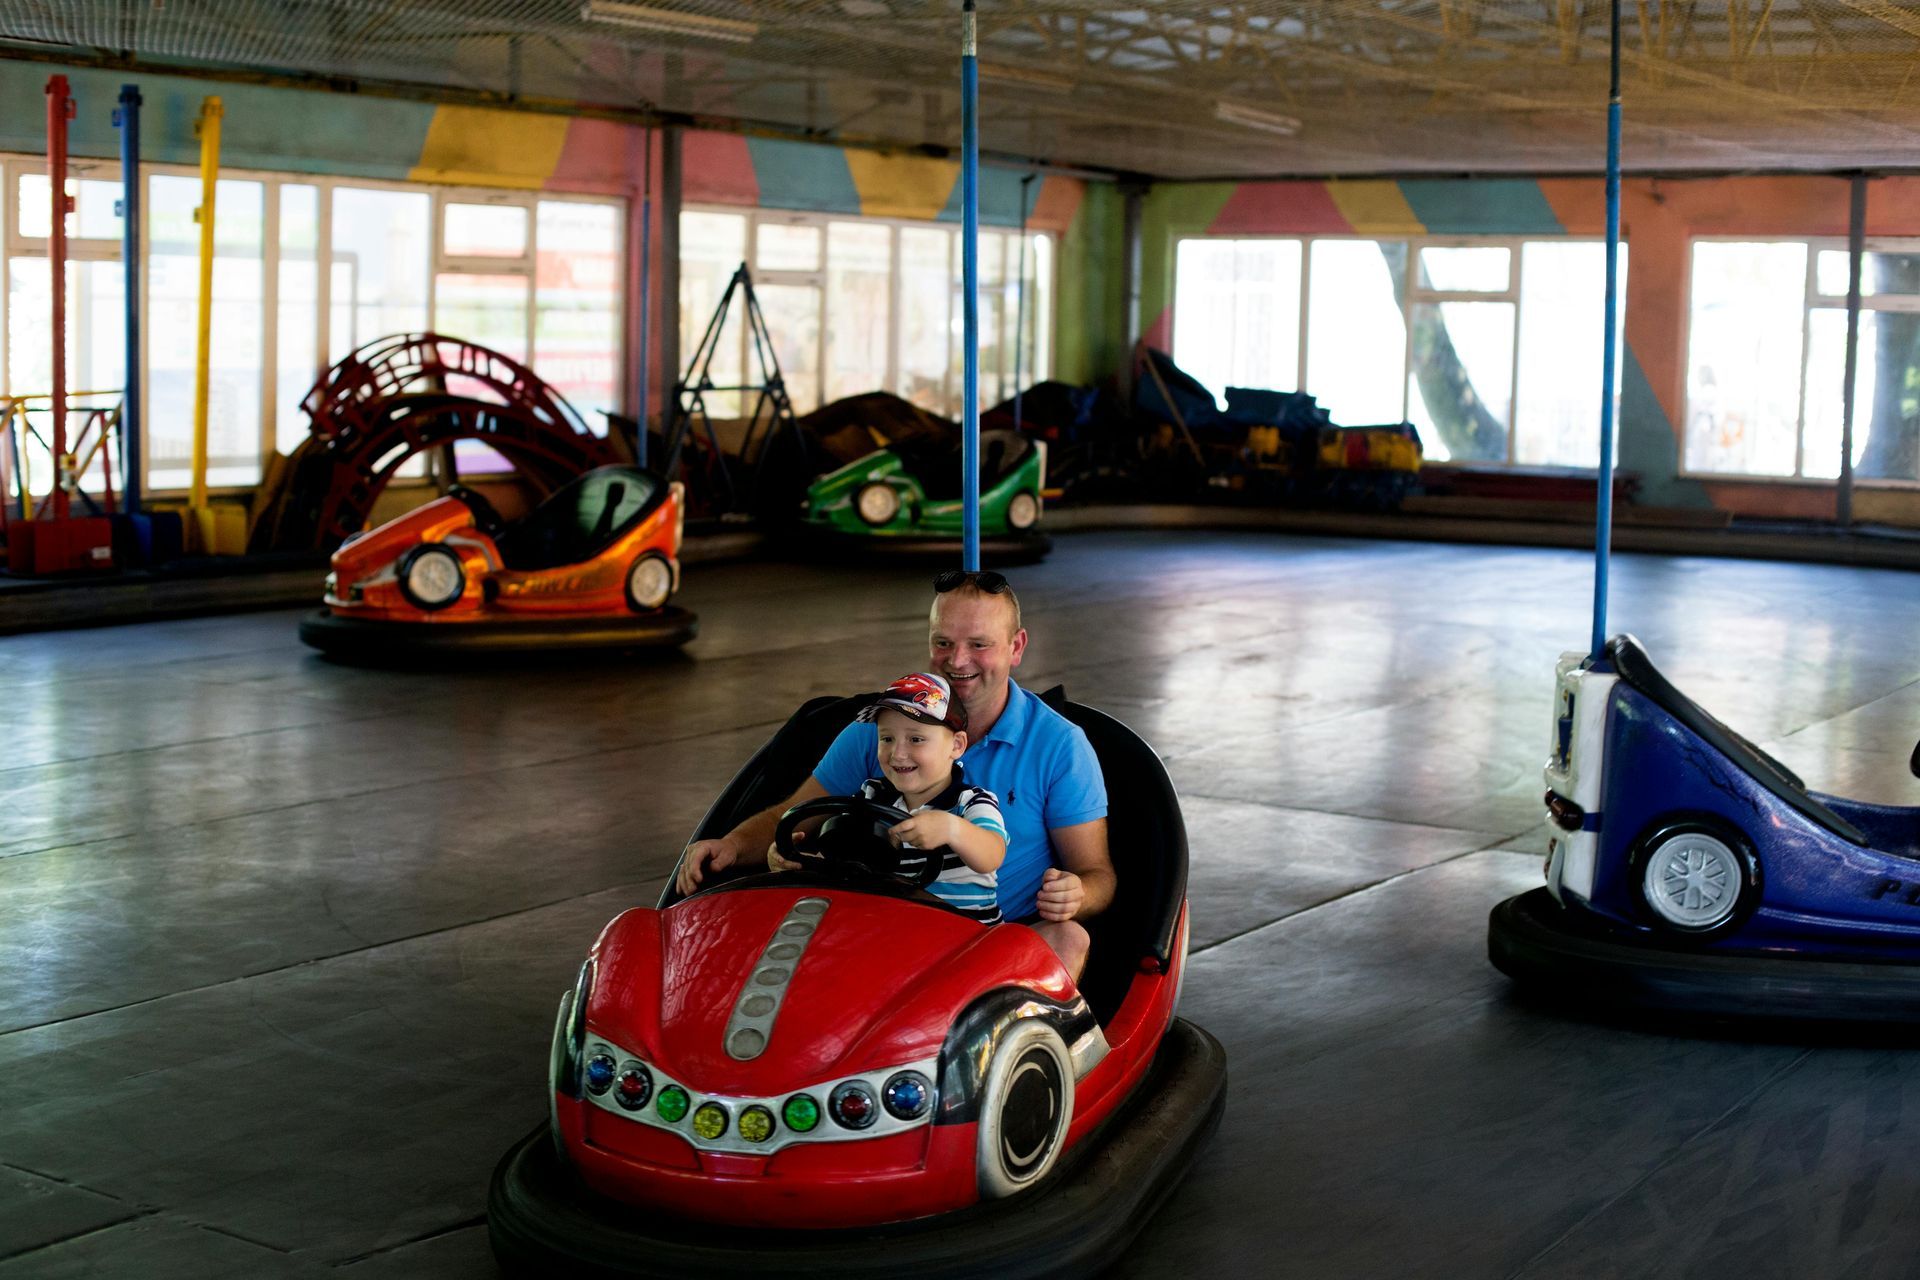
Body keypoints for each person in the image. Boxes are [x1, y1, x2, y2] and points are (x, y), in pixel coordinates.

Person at [677, 570, 1113, 979]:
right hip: (878, 930)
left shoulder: (1059, 746)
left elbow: (1096, 873)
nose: (958, 661)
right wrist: (732, 846)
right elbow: (795, 817)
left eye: (979, 644)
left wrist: (1076, 894)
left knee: (1069, 938)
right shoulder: (880, 733)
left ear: (1016, 647)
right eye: (943, 643)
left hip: (988, 948)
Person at [771, 672, 1006, 924]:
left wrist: (954, 830)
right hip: (890, 929)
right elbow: (848, 862)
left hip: (965, 937)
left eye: (916, 739)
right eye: (887, 738)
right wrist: (799, 862)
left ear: (957, 746)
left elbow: (992, 854)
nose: (898, 753)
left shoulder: (970, 802)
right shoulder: (871, 796)